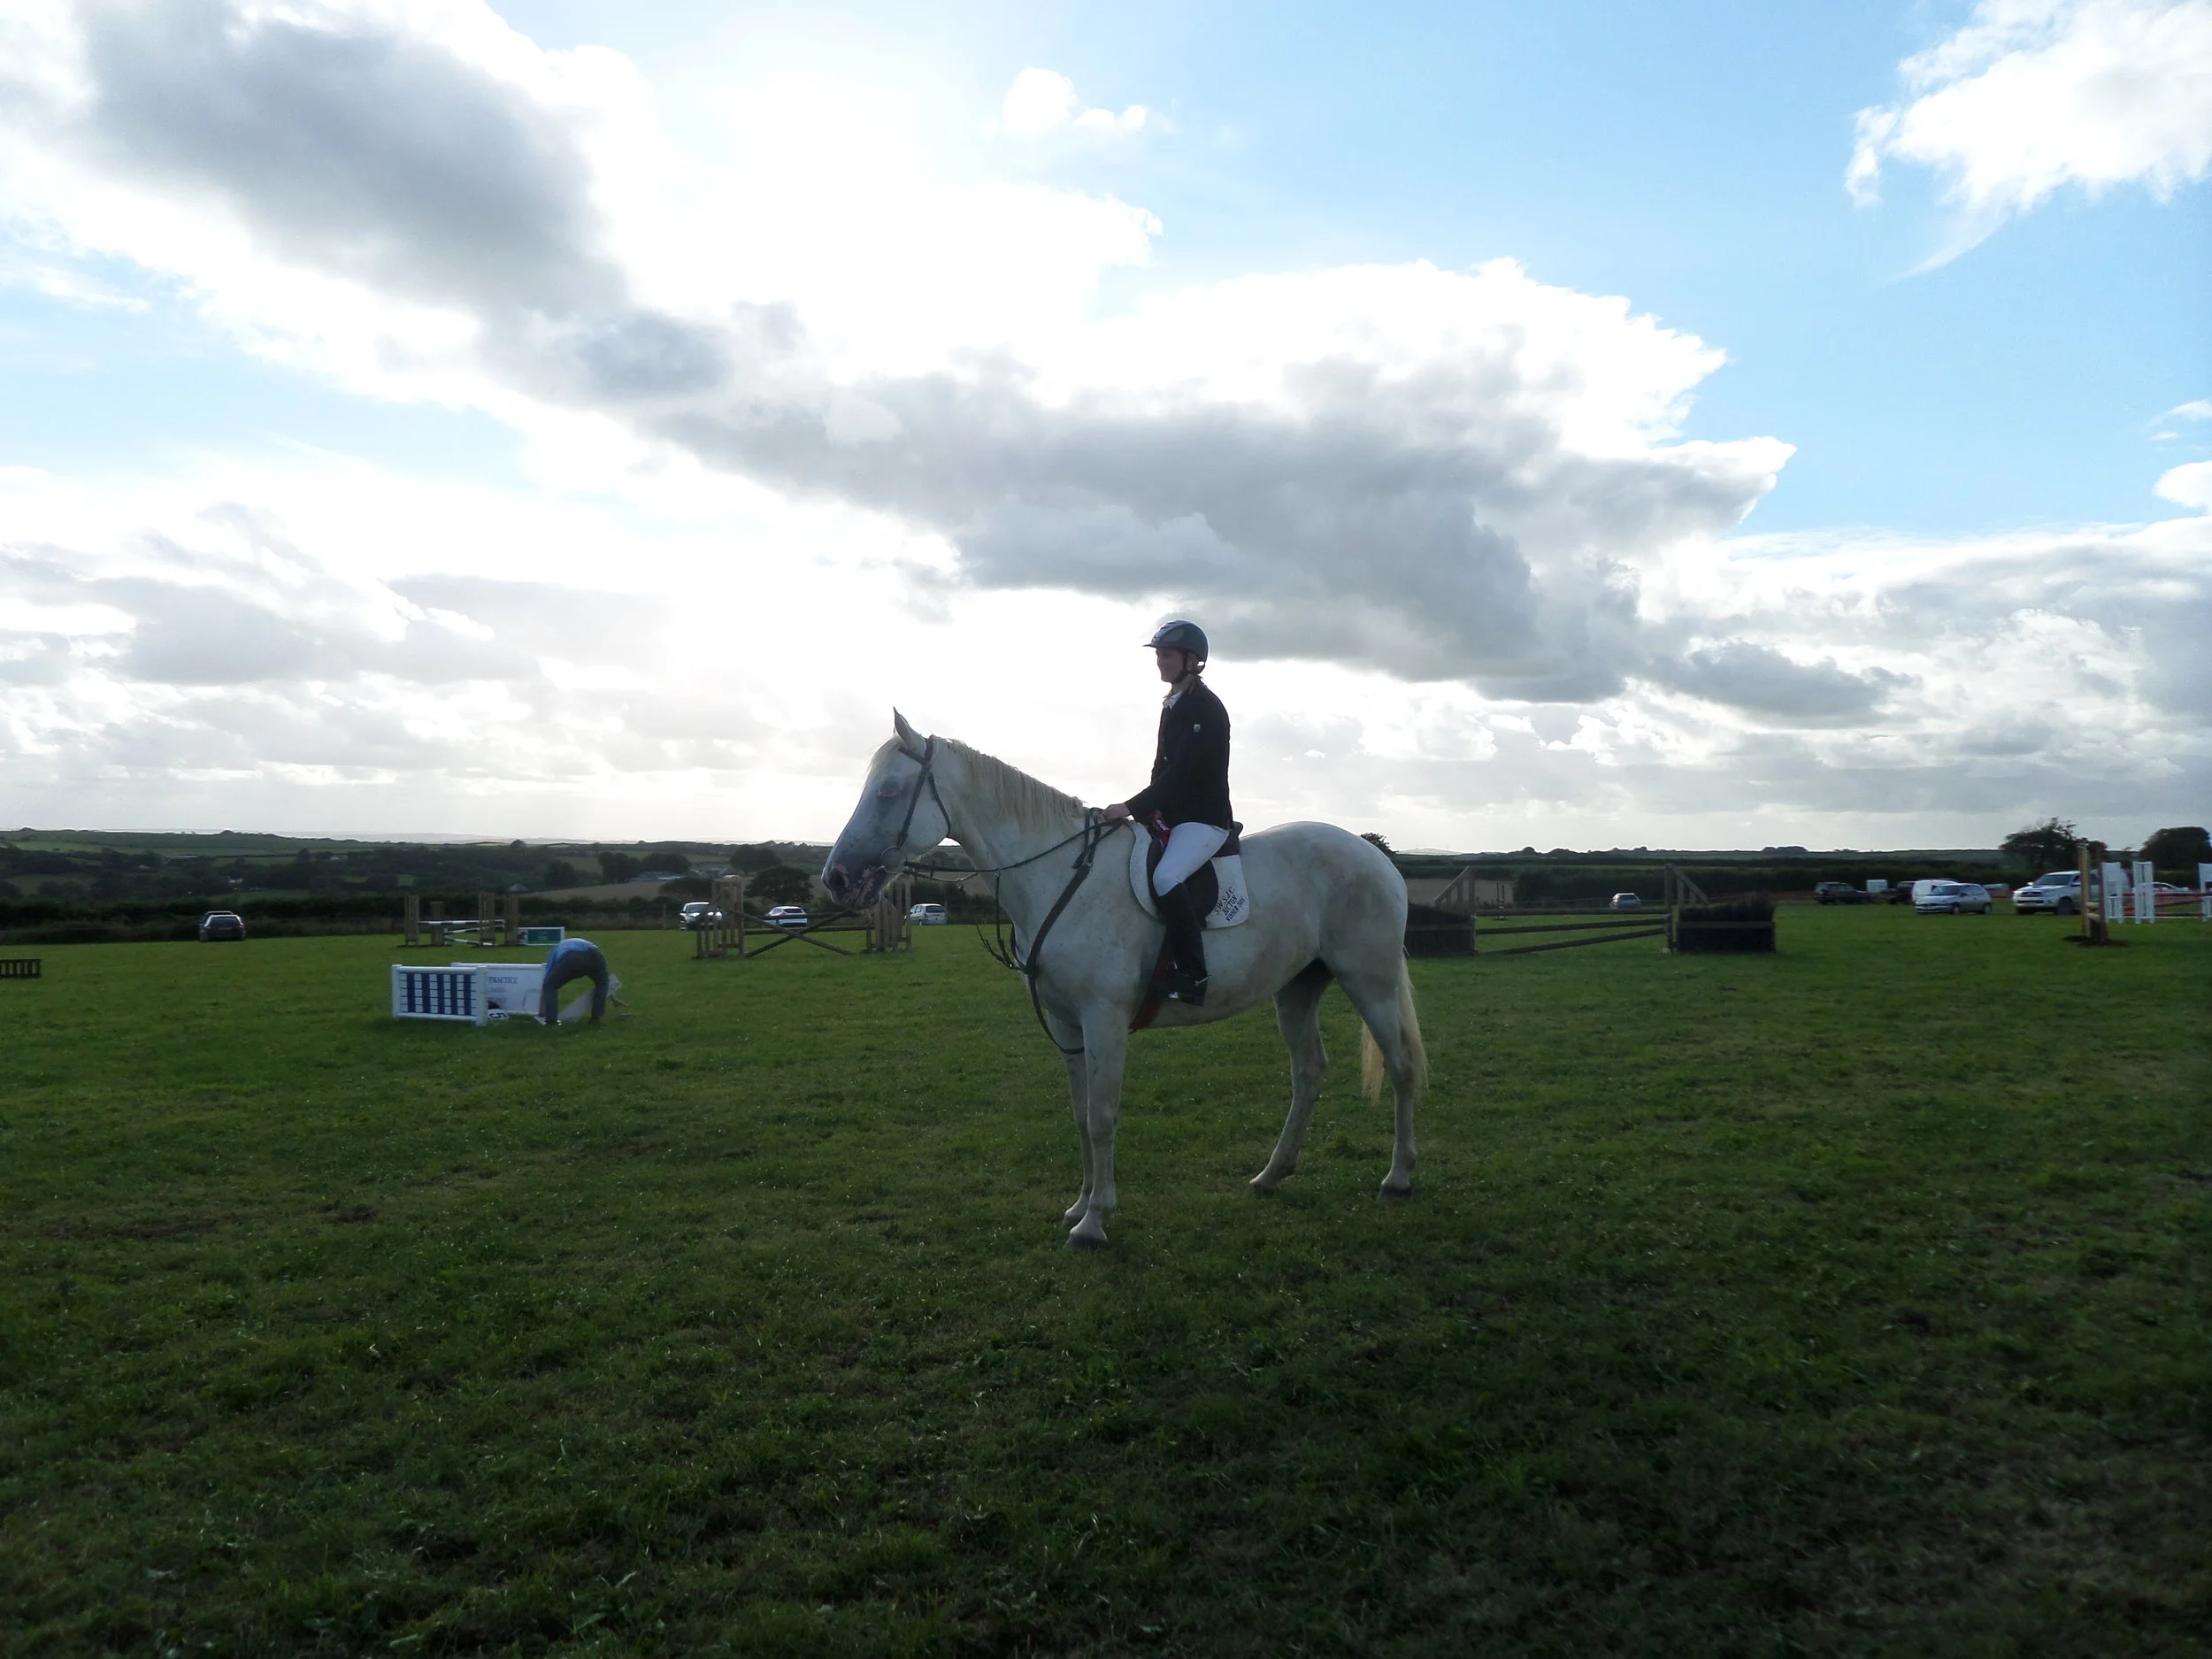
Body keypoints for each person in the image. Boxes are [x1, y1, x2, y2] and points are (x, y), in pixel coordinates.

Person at [1103, 619, 1233, 1006]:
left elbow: (1181, 774)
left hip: (1204, 820)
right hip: (1173, 817)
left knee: (1166, 877)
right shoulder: (1174, 704)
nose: (1160, 661)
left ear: (1192, 660)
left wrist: (1131, 806)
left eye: (1167, 655)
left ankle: (1194, 975)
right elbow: (1161, 769)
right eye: (1159, 654)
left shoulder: (1204, 708)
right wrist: (1144, 814)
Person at [538, 934, 611, 1024]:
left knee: (550, 985)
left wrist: (542, 1009)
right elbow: (605, 981)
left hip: (573, 958)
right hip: (596, 955)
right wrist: (612, 997)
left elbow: (546, 982)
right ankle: (596, 1017)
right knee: (602, 983)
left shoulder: (554, 952)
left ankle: (551, 1020)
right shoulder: (573, 943)